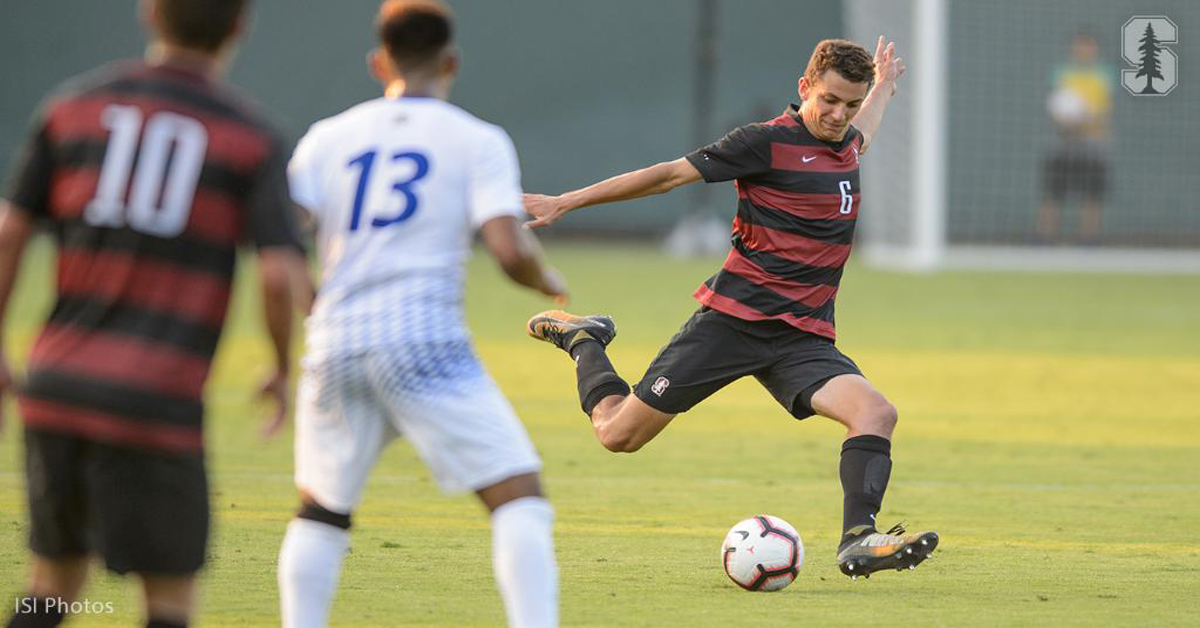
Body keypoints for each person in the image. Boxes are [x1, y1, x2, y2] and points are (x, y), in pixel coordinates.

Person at [524, 37, 938, 580]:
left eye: (851, 105)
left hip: (801, 338)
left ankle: (858, 540)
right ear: (804, 88)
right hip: (731, 324)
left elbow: (868, 129)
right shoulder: (763, 143)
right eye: (830, 100)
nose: (840, 115)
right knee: (617, 435)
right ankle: (585, 340)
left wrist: (883, 87)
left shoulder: (848, 143)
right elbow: (668, 176)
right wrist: (566, 201)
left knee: (877, 412)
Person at [0, 1, 309, 626]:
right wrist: (281, 367)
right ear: (238, 28)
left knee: (54, 582)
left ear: (149, 16)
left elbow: (9, 234)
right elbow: (279, 274)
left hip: (57, 385)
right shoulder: (247, 135)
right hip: (157, 399)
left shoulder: (72, 109)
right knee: (167, 598)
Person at [276, 2, 565, 626]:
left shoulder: (328, 137)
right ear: (452, 62)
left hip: (334, 345)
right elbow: (509, 247)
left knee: (321, 510)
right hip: (422, 342)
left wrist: (314, 306)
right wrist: (546, 281)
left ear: (378, 62)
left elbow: (277, 237)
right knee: (519, 497)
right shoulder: (475, 139)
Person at [1037, 32, 1113, 244]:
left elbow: (1104, 111)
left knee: (1092, 193)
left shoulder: (1104, 75)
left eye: (1088, 47)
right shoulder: (1062, 73)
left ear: (1095, 50)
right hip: (1063, 143)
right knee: (1053, 191)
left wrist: (1085, 121)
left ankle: (1088, 239)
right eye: (1079, 46)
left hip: (1094, 144)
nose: (1084, 51)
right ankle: (1046, 238)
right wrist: (1066, 123)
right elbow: (1055, 105)